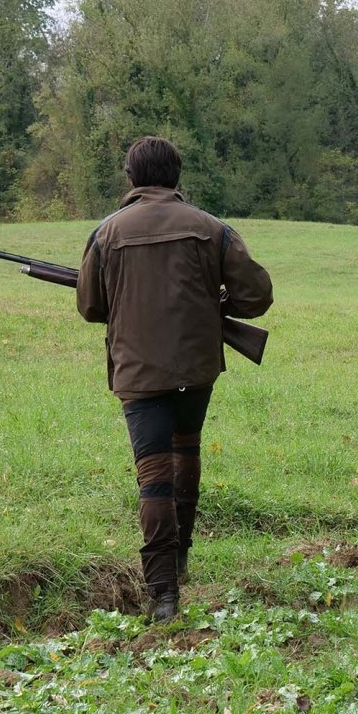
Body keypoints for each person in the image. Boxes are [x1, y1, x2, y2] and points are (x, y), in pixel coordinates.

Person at [77, 136, 273, 621]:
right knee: (187, 450)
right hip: (197, 367)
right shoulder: (212, 228)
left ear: (131, 178)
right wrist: (217, 304)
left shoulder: (106, 233)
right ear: (177, 175)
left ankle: (163, 594)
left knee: (154, 478)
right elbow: (257, 295)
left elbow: (90, 307)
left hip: (139, 375)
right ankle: (180, 557)